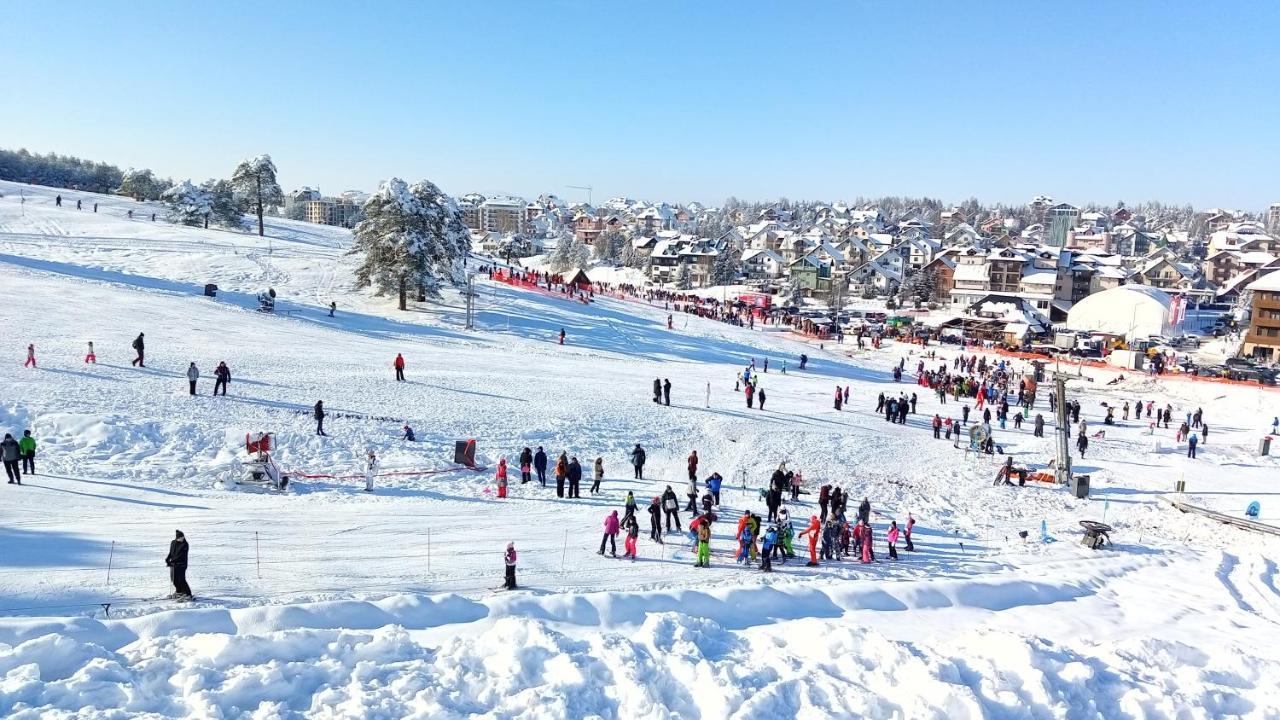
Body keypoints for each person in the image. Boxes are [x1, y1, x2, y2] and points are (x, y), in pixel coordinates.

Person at [165, 530, 192, 600]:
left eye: (183, 537)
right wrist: (168, 559)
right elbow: (171, 552)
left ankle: (188, 593)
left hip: (182, 565)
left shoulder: (185, 545)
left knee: (181, 579)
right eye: (181, 537)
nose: (182, 538)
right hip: (174, 565)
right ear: (177, 538)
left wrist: (172, 561)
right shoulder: (173, 543)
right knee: (174, 579)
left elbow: (181, 555)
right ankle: (179, 591)